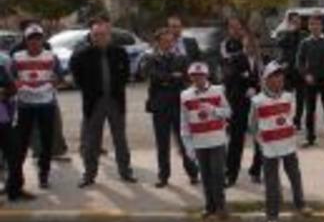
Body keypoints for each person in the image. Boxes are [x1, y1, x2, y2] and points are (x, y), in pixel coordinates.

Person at [71, 17, 136, 188]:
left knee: (120, 139)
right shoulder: (81, 54)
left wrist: (117, 88)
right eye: (96, 35)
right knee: (91, 141)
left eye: (103, 34)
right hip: (94, 104)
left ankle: (125, 171)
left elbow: (126, 74)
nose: (99, 38)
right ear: (91, 36)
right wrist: (89, 91)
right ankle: (89, 175)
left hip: (115, 101)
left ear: (109, 35)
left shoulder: (120, 52)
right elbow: (76, 76)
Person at [248, 61, 307, 222]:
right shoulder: (258, 101)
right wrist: (261, 144)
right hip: (270, 149)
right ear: (266, 79)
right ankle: (272, 216)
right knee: (272, 183)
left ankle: (300, 205)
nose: (279, 80)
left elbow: (291, 116)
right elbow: (253, 126)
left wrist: (292, 132)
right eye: (274, 76)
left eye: (280, 76)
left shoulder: (288, 96)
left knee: (295, 177)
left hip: (288, 145)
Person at [9, 25, 62, 191]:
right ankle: (17, 179)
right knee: (21, 143)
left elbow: (60, 76)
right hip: (25, 105)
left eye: (38, 38)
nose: (35, 42)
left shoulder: (52, 57)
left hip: (46, 104)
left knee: (46, 142)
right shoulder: (17, 58)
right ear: (26, 41)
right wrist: (14, 85)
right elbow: (10, 79)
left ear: (42, 40)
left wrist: (57, 80)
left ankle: (44, 175)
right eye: (31, 39)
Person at [145, 28, 199, 188]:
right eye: (165, 41)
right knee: (162, 144)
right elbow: (153, 76)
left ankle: (193, 173)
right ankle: (163, 176)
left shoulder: (181, 58)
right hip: (160, 106)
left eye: (171, 41)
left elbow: (185, 78)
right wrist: (171, 77)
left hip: (178, 105)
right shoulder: (150, 58)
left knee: (184, 141)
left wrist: (167, 79)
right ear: (158, 43)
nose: (169, 44)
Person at [180, 62, 231, 220]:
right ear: (190, 77)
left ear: (206, 75)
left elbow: (229, 112)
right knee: (205, 176)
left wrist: (214, 110)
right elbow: (184, 122)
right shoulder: (185, 95)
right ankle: (209, 206)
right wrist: (188, 147)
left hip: (217, 140)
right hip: (199, 142)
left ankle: (221, 206)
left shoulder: (217, 90)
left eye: (201, 75)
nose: (198, 79)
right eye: (194, 76)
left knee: (218, 174)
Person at [221, 27, 261, 187]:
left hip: (259, 106)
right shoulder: (235, 58)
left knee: (261, 140)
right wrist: (247, 85)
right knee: (236, 141)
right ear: (243, 42)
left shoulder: (262, 59)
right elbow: (229, 79)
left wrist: (255, 87)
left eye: (254, 41)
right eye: (248, 41)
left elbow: (268, 79)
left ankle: (256, 171)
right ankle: (231, 174)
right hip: (239, 105)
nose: (251, 44)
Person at [296, 13, 324, 149]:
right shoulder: (305, 43)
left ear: (321, 26)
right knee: (310, 110)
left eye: (317, 24)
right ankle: (310, 137)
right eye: (311, 24)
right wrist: (306, 75)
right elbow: (299, 62)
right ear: (308, 26)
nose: (314, 27)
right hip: (310, 81)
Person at [276, 12, 307, 129]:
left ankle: (297, 120)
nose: (297, 24)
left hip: (300, 71)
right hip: (287, 70)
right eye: (294, 21)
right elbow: (279, 44)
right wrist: (290, 32)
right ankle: (285, 119)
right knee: (285, 97)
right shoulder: (283, 33)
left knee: (300, 99)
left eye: (298, 21)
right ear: (289, 22)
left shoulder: (304, 35)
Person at [0, 62, 16, 202]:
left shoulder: (0, 68)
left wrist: (3, 93)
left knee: (12, 154)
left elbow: (12, 88)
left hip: (2, 118)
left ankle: (12, 189)